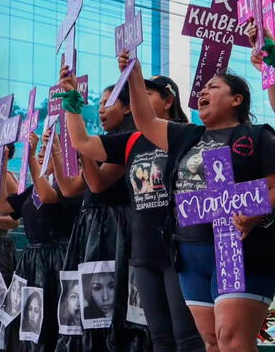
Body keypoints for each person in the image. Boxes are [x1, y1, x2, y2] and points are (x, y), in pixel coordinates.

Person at [121, 49, 275, 351]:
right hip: (190, 252)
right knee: (212, 342)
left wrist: (256, 215)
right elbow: (145, 121)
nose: (203, 91)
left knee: (233, 341)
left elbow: (274, 188)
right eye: (202, 89)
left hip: (236, 247)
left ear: (236, 100)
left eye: (213, 87)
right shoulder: (186, 135)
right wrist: (134, 74)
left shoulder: (258, 136)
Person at [62, 66, 204, 350]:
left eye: (148, 93)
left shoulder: (191, 136)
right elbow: (83, 143)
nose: (139, 97)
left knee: (187, 337)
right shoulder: (132, 141)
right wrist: (72, 102)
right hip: (144, 252)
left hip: (182, 251)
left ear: (169, 100)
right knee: (160, 337)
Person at [52, 79, 151, 350]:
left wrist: (82, 146)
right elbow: (71, 188)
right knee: (86, 310)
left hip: (113, 229)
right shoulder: (105, 144)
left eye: (108, 103)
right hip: (91, 228)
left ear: (129, 108)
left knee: (110, 311)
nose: (101, 111)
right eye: (99, 105)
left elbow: (97, 183)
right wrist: (59, 155)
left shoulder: (130, 143)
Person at [0, 131, 82, 350]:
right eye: (41, 150)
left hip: (58, 263)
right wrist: (1, 164)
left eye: (48, 149)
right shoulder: (33, 191)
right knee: (30, 324)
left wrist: (30, 157)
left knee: (54, 323)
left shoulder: (71, 188)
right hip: (32, 263)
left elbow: (47, 196)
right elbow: (1, 206)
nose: (42, 153)